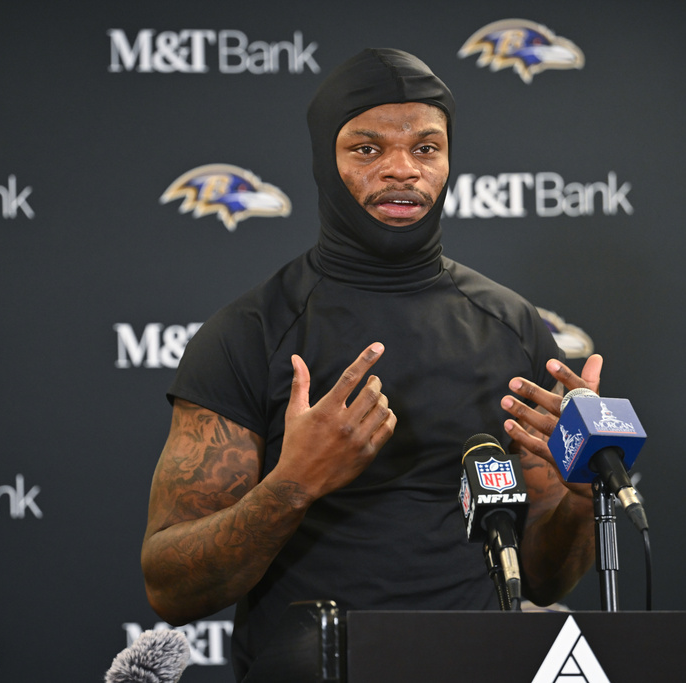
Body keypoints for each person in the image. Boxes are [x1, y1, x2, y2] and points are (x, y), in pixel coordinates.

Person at [141, 47, 602, 679]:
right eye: (367, 149)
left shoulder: (515, 329)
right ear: (325, 163)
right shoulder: (251, 333)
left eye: (426, 148)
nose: (401, 171)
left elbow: (547, 580)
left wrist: (579, 500)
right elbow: (170, 588)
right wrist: (293, 483)